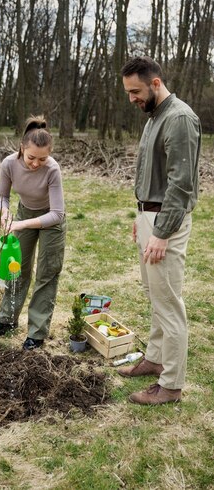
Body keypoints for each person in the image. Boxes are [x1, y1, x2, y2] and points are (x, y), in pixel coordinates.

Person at [120, 56, 201, 405]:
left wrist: (162, 231)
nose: (131, 99)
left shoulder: (179, 118)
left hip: (166, 221)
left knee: (169, 302)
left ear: (155, 83)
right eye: (127, 92)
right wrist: (142, 221)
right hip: (150, 219)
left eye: (135, 91)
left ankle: (171, 385)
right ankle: (154, 359)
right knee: (155, 296)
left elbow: (181, 184)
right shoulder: (154, 117)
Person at [0, 115, 66, 350]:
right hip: (24, 213)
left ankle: (37, 332)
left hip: (50, 221)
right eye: (31, 157)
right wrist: (4, 213)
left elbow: (57, 214)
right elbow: (2, 196)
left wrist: (20, 224)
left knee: (46, 272)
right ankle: (7, 319)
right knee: (16, 268)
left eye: (42, 159)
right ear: (22, 148)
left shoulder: (52, 169)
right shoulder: (9, 164)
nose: (35, 163)